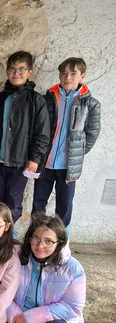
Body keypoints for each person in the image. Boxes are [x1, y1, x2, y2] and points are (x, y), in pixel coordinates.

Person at [0, 214, 86, 323]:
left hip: (50, 322)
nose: (40, 246)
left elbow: (73, 307)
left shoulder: (72, 267)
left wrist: (29, 318)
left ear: (59, 242)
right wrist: (17, 317)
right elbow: (1, 289)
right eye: (36, 238)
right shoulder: (15, 256)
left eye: (48, 241)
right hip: (17, 316)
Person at [32, 57, 101, 235]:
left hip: (68, 166)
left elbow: (92, 133)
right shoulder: (48, 98)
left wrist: (76, 153)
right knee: (38, 203)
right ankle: (36, 237)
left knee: (64, 207)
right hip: (45, 163)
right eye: (63, 73)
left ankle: (61, 242)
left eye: (73, 73)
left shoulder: (90, 104)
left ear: (82, 76)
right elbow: (38, 128)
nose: (67, 77)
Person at [0, 51, 50, 223]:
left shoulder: (36, 100)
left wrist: (35, 158)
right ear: (7, 71)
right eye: (12, 69)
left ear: (30, 72)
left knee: (13, 204)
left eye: (21, 69)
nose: (16, 73)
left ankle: (8, 240)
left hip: (20, 163)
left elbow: (42, 134)